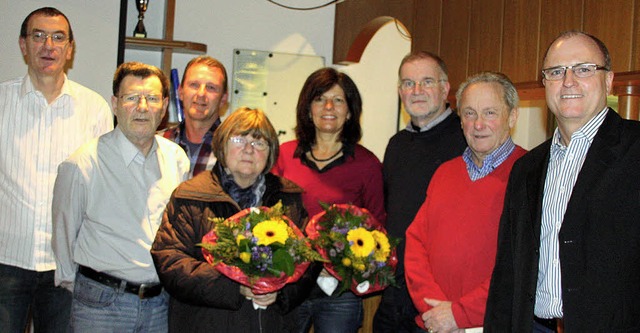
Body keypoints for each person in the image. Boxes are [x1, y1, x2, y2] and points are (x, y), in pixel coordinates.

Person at [484, 31, 640, 332]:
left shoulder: (635, 150)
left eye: (583, 69)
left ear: (608, 81)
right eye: (556, 72)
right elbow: (508, 273)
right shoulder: (526, 169)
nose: (568, 81)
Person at [151, 107, 319, 332]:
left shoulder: (288, 199)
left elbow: (309, 261)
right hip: (205, 324)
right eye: (239, 139)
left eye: (259, 143)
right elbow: (170, 262)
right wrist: (234, 286)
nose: (249, 149)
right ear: (222, 144)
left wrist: (280, 292)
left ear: (270, 153)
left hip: (270, 324)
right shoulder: (190, 196)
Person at [52, 62, 190, 332]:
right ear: (115, 104)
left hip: (159, 305)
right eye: (131, 98)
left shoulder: (176, 159)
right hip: (100, 306)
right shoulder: (82, 164)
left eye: (151, 98)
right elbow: (64, 236)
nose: (142, 107)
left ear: (163, 107)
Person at [0, 7, 113, 332]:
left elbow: (101, 190)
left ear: (70, 48)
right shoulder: (3, 102)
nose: (48, 45)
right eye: (38, 36)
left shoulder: (94, 109)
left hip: (67, 267)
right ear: (23, 45)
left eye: (58, 37)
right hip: (7, 261)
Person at [405, 72, 526, 333]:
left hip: (490, 326)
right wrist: (434, 311)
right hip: (433, 322)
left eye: (490, 113)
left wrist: (458, 316)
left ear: (513, 117)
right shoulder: (444, 173)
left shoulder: (529, 174)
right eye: (469, 113)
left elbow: (519, 267)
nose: (478, 124)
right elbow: (415, 243)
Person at [272, 67, 385, 333]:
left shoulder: (367, 164)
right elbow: (268, 217)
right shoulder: (283, 155)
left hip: (340, 292)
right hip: (291, 284)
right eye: (320, 98)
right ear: (308, 107)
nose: (329, 106)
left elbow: (378, 226)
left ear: (350, 111)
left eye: (339, 100)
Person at [374, 51, 467, 333]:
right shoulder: (396, 145)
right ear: (400, 90)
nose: (417, 91)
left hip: (440, 297)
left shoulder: (466, 139)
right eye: (408, 83)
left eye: (427, 82)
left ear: (445, 87)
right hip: (395, 291)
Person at [160, 55, 228, 178]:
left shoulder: (235, 150)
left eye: (211, 87)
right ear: (180, 92)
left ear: (223, 98)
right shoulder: (158, 143)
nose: (201, 93)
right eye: (194, 85)